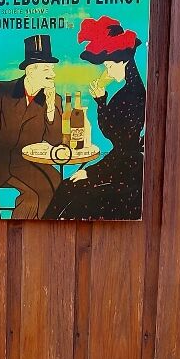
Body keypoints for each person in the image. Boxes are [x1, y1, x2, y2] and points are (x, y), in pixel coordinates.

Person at [44, 16, 146, 221]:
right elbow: (115, 135)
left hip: (127, 180)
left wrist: (92, 173)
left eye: (109, 65)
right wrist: (101, 102)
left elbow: (124, 147)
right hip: (120, 168)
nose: (108, 71)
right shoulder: (127, 91)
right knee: (67, 187)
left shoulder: (134, 95)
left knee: (70, 191)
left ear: (123, 61)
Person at [0, 34, 64, 219]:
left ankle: (26, 232)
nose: (53, 74)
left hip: (28, 165)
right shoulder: (2, 90)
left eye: (52, 69)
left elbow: (55, 141)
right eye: (47, 69)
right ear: (31, 71)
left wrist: (51, 108)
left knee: (52, 188)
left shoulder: (53, 99)